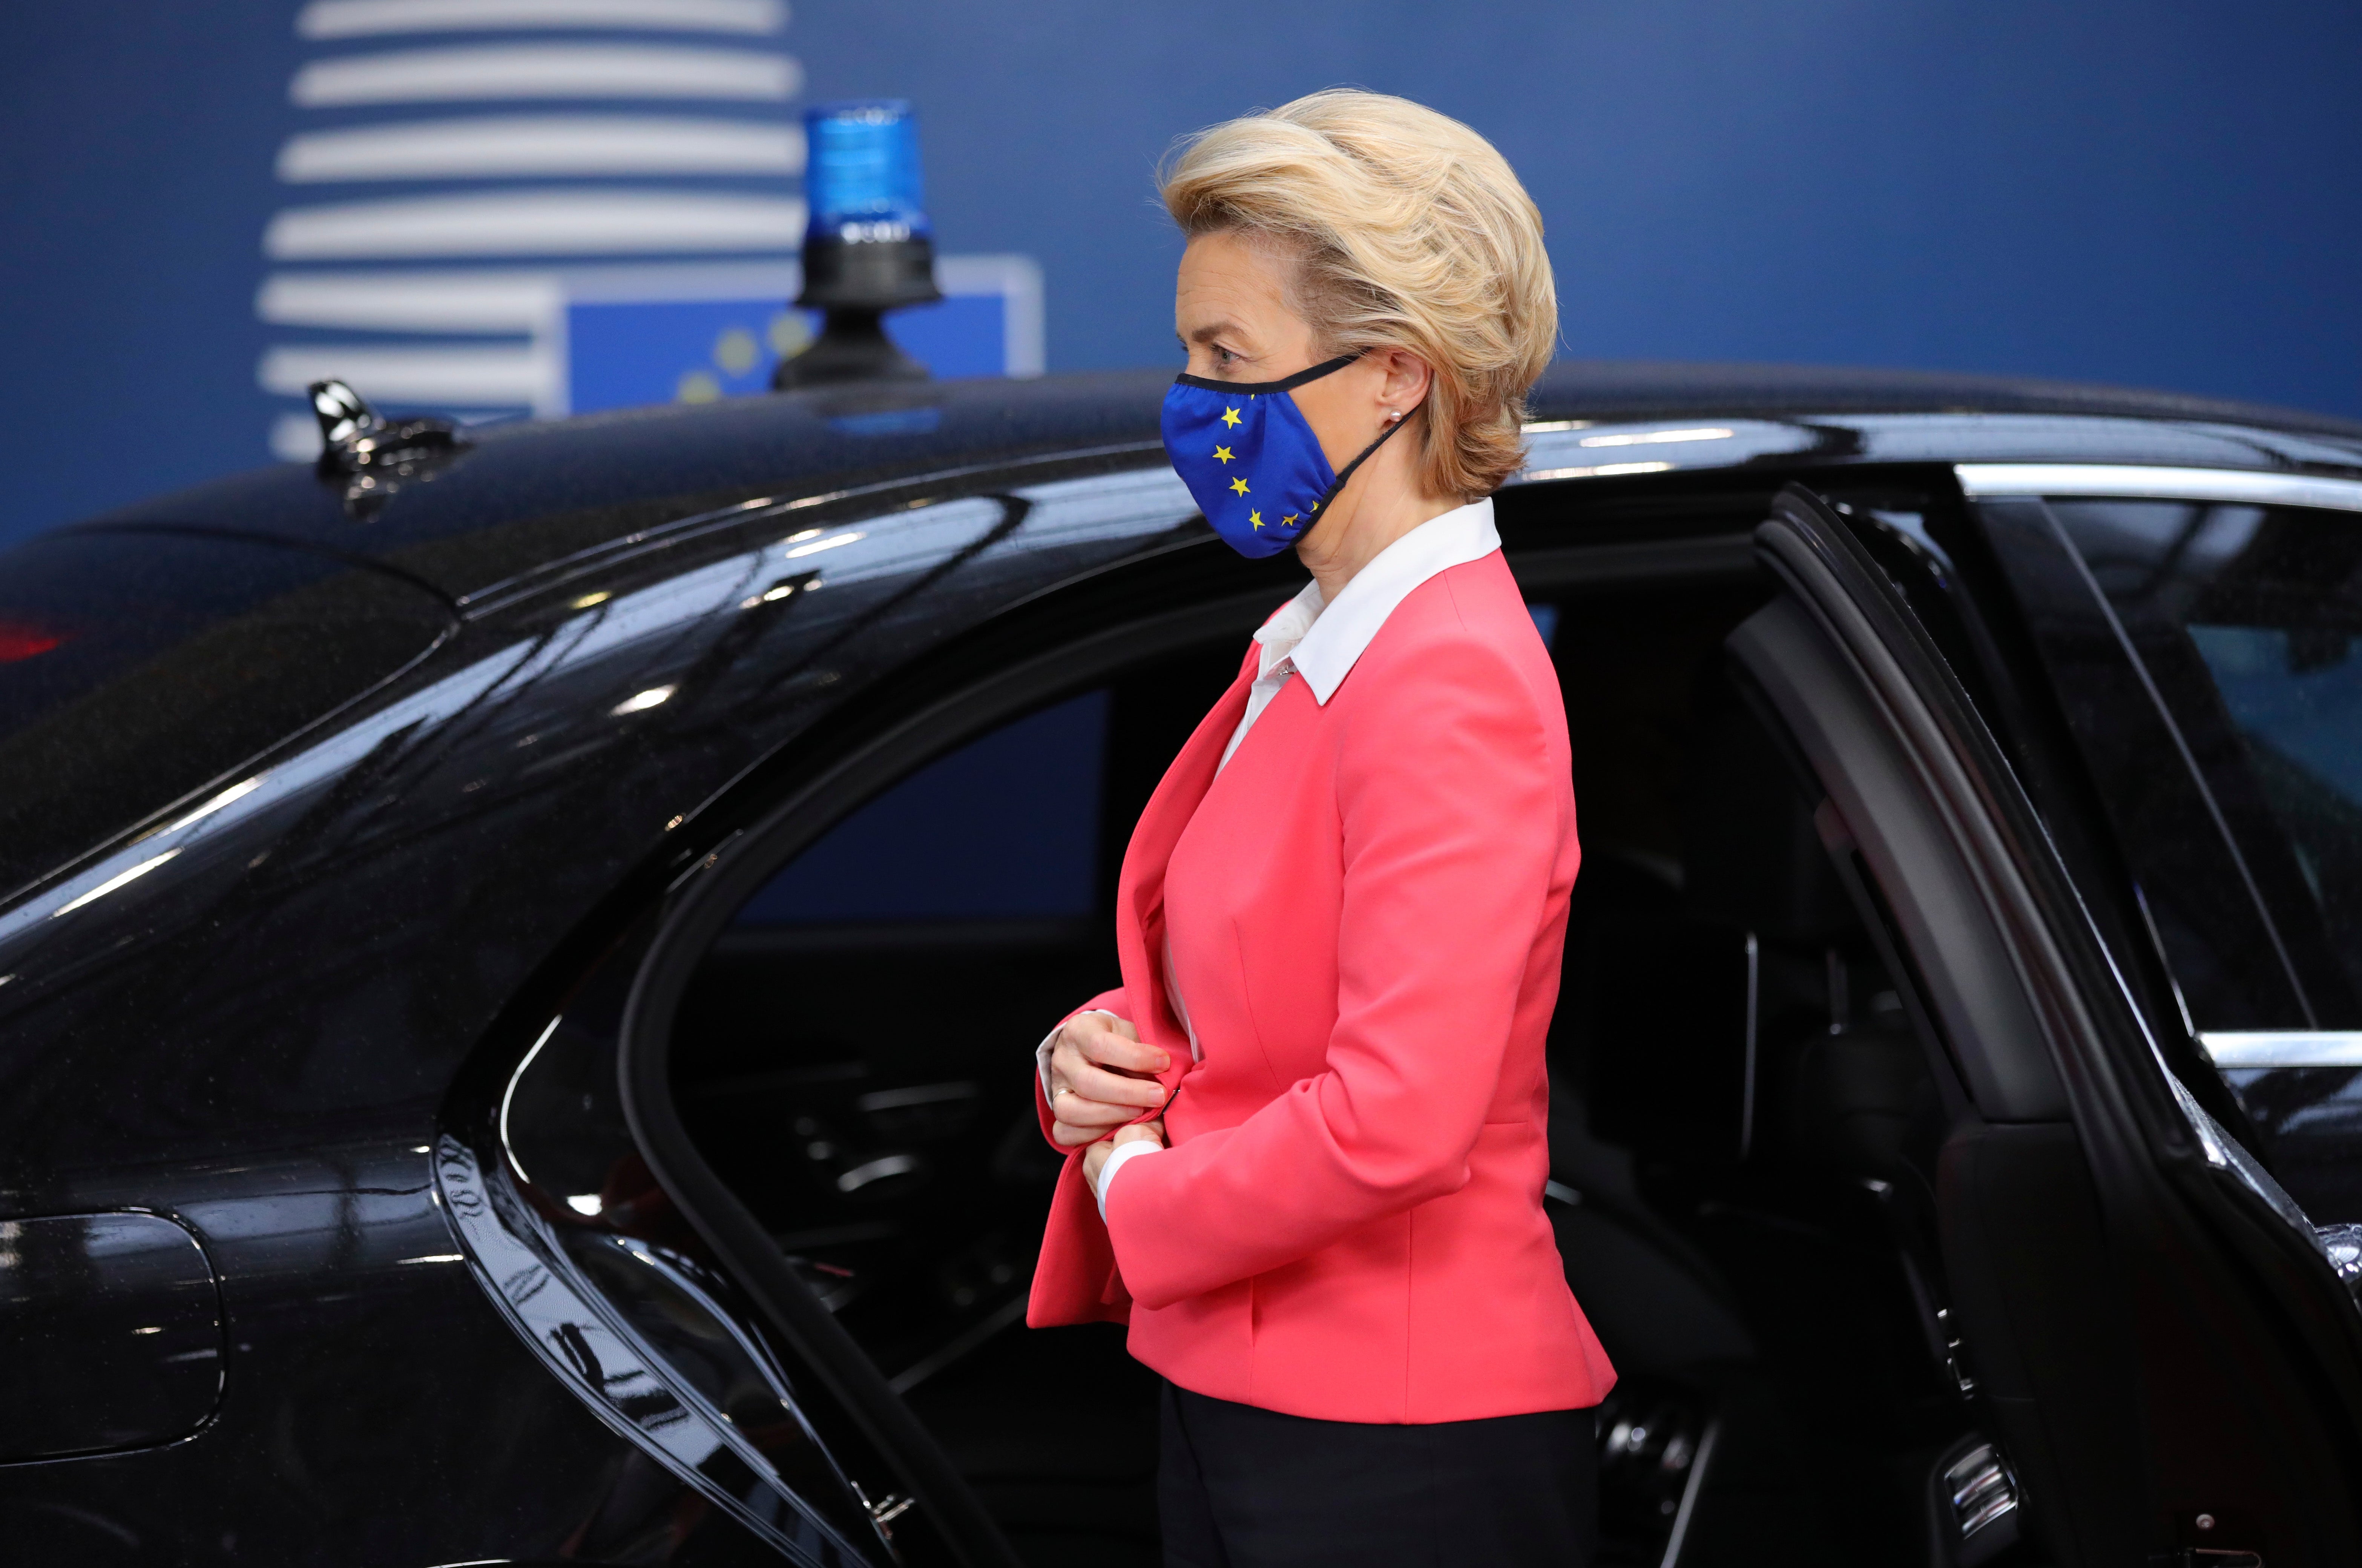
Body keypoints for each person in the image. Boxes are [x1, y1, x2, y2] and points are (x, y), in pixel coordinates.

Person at [1028, 89, 1613, 1567]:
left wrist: (1142, 1192)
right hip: (1242, 1393)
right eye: (1190, 356)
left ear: (1397, 377)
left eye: (1229, 361)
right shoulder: (1318, 640)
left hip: (1394, 1445)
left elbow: (1397, 1117)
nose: (1191, 404)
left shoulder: (1451, 676)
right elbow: (1264, 982)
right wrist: (1102, 1050)